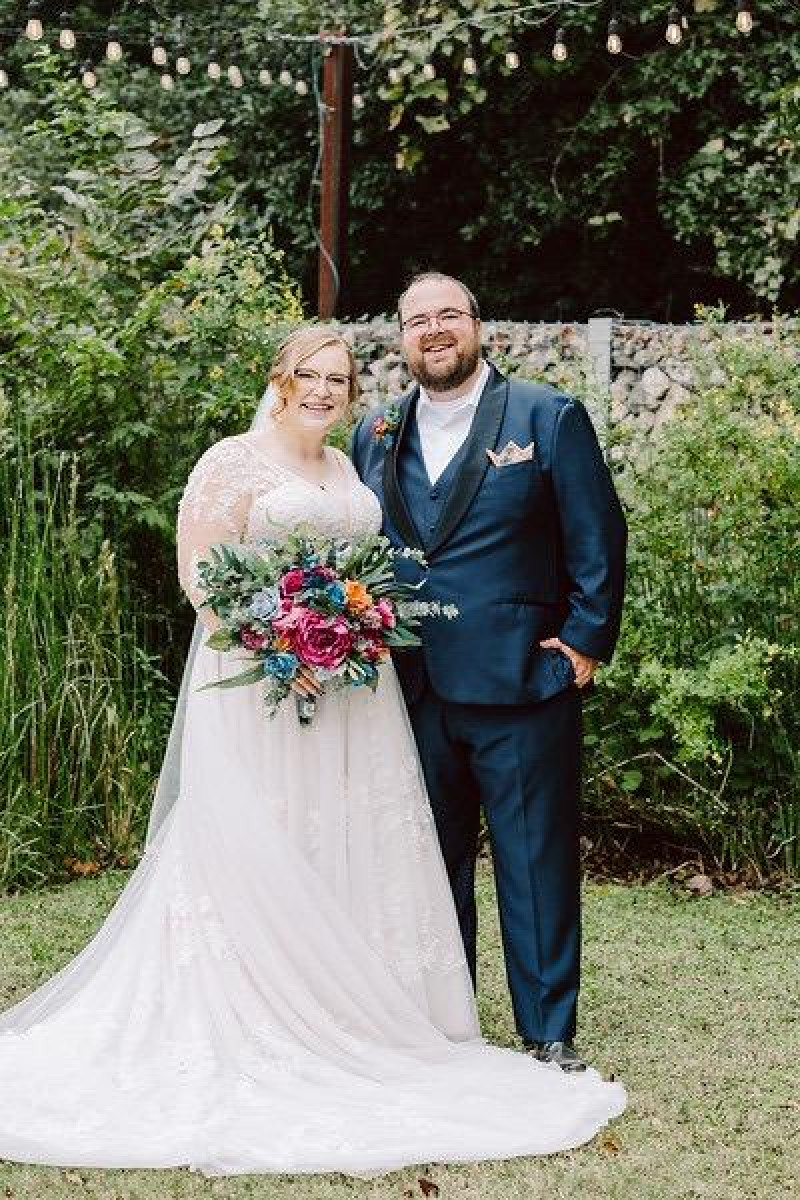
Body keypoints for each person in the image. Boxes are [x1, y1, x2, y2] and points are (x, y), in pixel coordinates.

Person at [0, 327, 624, 1177]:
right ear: (281, 379)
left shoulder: (350, 462)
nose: (326, 390)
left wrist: (347, 628)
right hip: (263, 686)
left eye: (340, 378)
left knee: (349, 843)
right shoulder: (231, 462)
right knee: (265, 839)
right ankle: (255, 1011)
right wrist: (280, 643)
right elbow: (200, 576)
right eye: (311, 375)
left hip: (355, 695)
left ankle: (352, 1010)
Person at [351, 274, 627, 1072]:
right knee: (427, 864)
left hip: (522, 679)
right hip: (410, 683)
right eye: (417, 320)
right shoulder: (375, 431)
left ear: (478, 326)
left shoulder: (546, 416)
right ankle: (445, 1019)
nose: (433, 330)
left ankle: (548, 1030)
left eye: (449, 315)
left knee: (534, 860)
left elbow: (598, 534)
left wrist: (585, 641)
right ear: (401, 338)